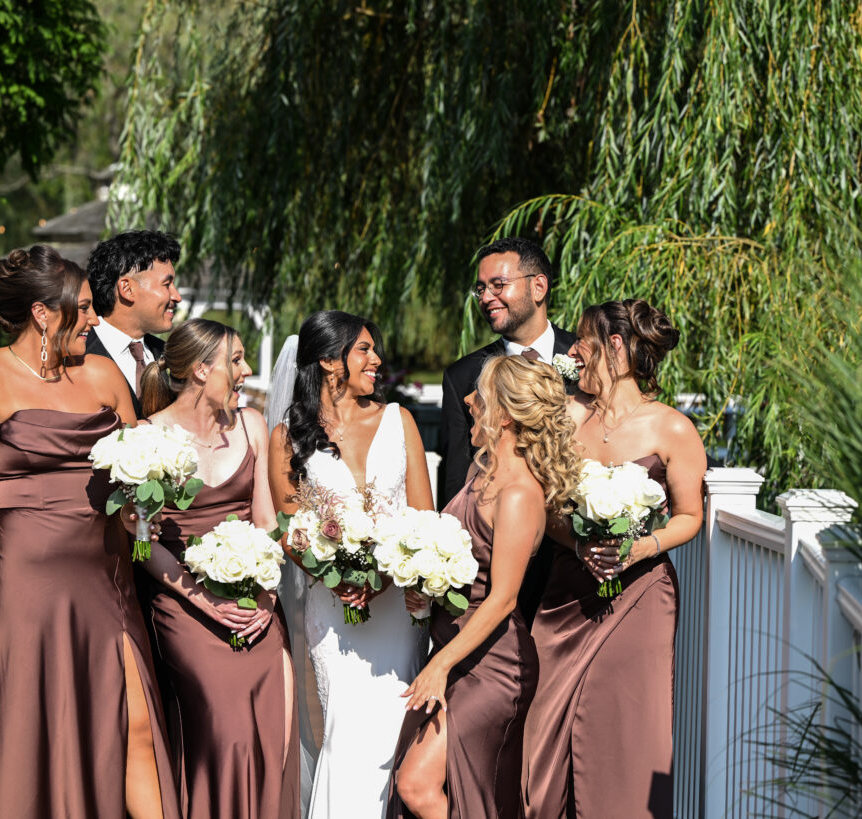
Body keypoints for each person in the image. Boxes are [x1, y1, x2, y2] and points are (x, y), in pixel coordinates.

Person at [0, 246, 179, 818]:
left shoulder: (100, 375)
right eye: (83, 308)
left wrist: (148, 495)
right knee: (37, 726)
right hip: (28, 581)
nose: (96, 320)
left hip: (106, 570)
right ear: (43, 314)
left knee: (138, 721)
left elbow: (143, 460)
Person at [523, 299, 707, 819]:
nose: (574, 350)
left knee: (627, 730)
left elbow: (688, 517)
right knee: (542, 733)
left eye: (583, 339)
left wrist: (639, 548)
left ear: (617, 347)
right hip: (564, 599)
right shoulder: (567, 417)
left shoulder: (672, 429)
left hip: (640, 598)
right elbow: (544, 506)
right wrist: (578, 543)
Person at [388, 355, 581, 819]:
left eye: (481, 394)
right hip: (456, 650)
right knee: (441, 786)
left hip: (494, 665)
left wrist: (440, 666)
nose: (469, 400)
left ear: (507, 414)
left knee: (418, 785)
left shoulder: (518, 495)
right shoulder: (482, 473)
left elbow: (503, 598)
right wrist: (424, 587)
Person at [268, 310, 435, 819]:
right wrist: (336, 577)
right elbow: (291, 527)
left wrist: (392, 577)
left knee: (388, 742)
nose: (376, 360)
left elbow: (425, 516)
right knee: (345, 736)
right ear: (328, 360)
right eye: (363, 349)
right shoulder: (287, 436)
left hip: (399, 611)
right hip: (335, 609)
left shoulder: (398, 420)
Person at [137, 318, 300, 819]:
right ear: (201, 370)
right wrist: (204, 599)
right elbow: (141, 547)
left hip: (255, 605)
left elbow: (270, 523)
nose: (247, 370)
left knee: (276, 733)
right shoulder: (146, 437)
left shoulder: (250, 426)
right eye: (236, 361)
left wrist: (267, 601)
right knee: (224, 735)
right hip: (186, 607)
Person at [439, 237, 576, 625]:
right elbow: (456, 484)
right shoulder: (463, 376)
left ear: (538, 286)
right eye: (480, 288)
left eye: (498, 285)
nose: (485, 297)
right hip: (493, 576)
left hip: (578, 572)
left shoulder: (587, 360)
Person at [85, 230, 182, 418]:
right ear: (127, 289)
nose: (177, 297)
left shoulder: (173, 357)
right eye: (166, 284)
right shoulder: (75, 356)